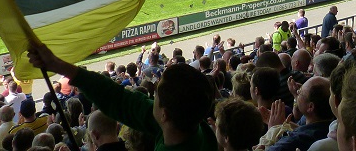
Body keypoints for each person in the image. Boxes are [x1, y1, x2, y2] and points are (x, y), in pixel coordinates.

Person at [27, 43, 216, 151]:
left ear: (164, 114)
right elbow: (117, 98)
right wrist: (58, 65)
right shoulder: (193, 125)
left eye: (156, 95)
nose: (151, 100)